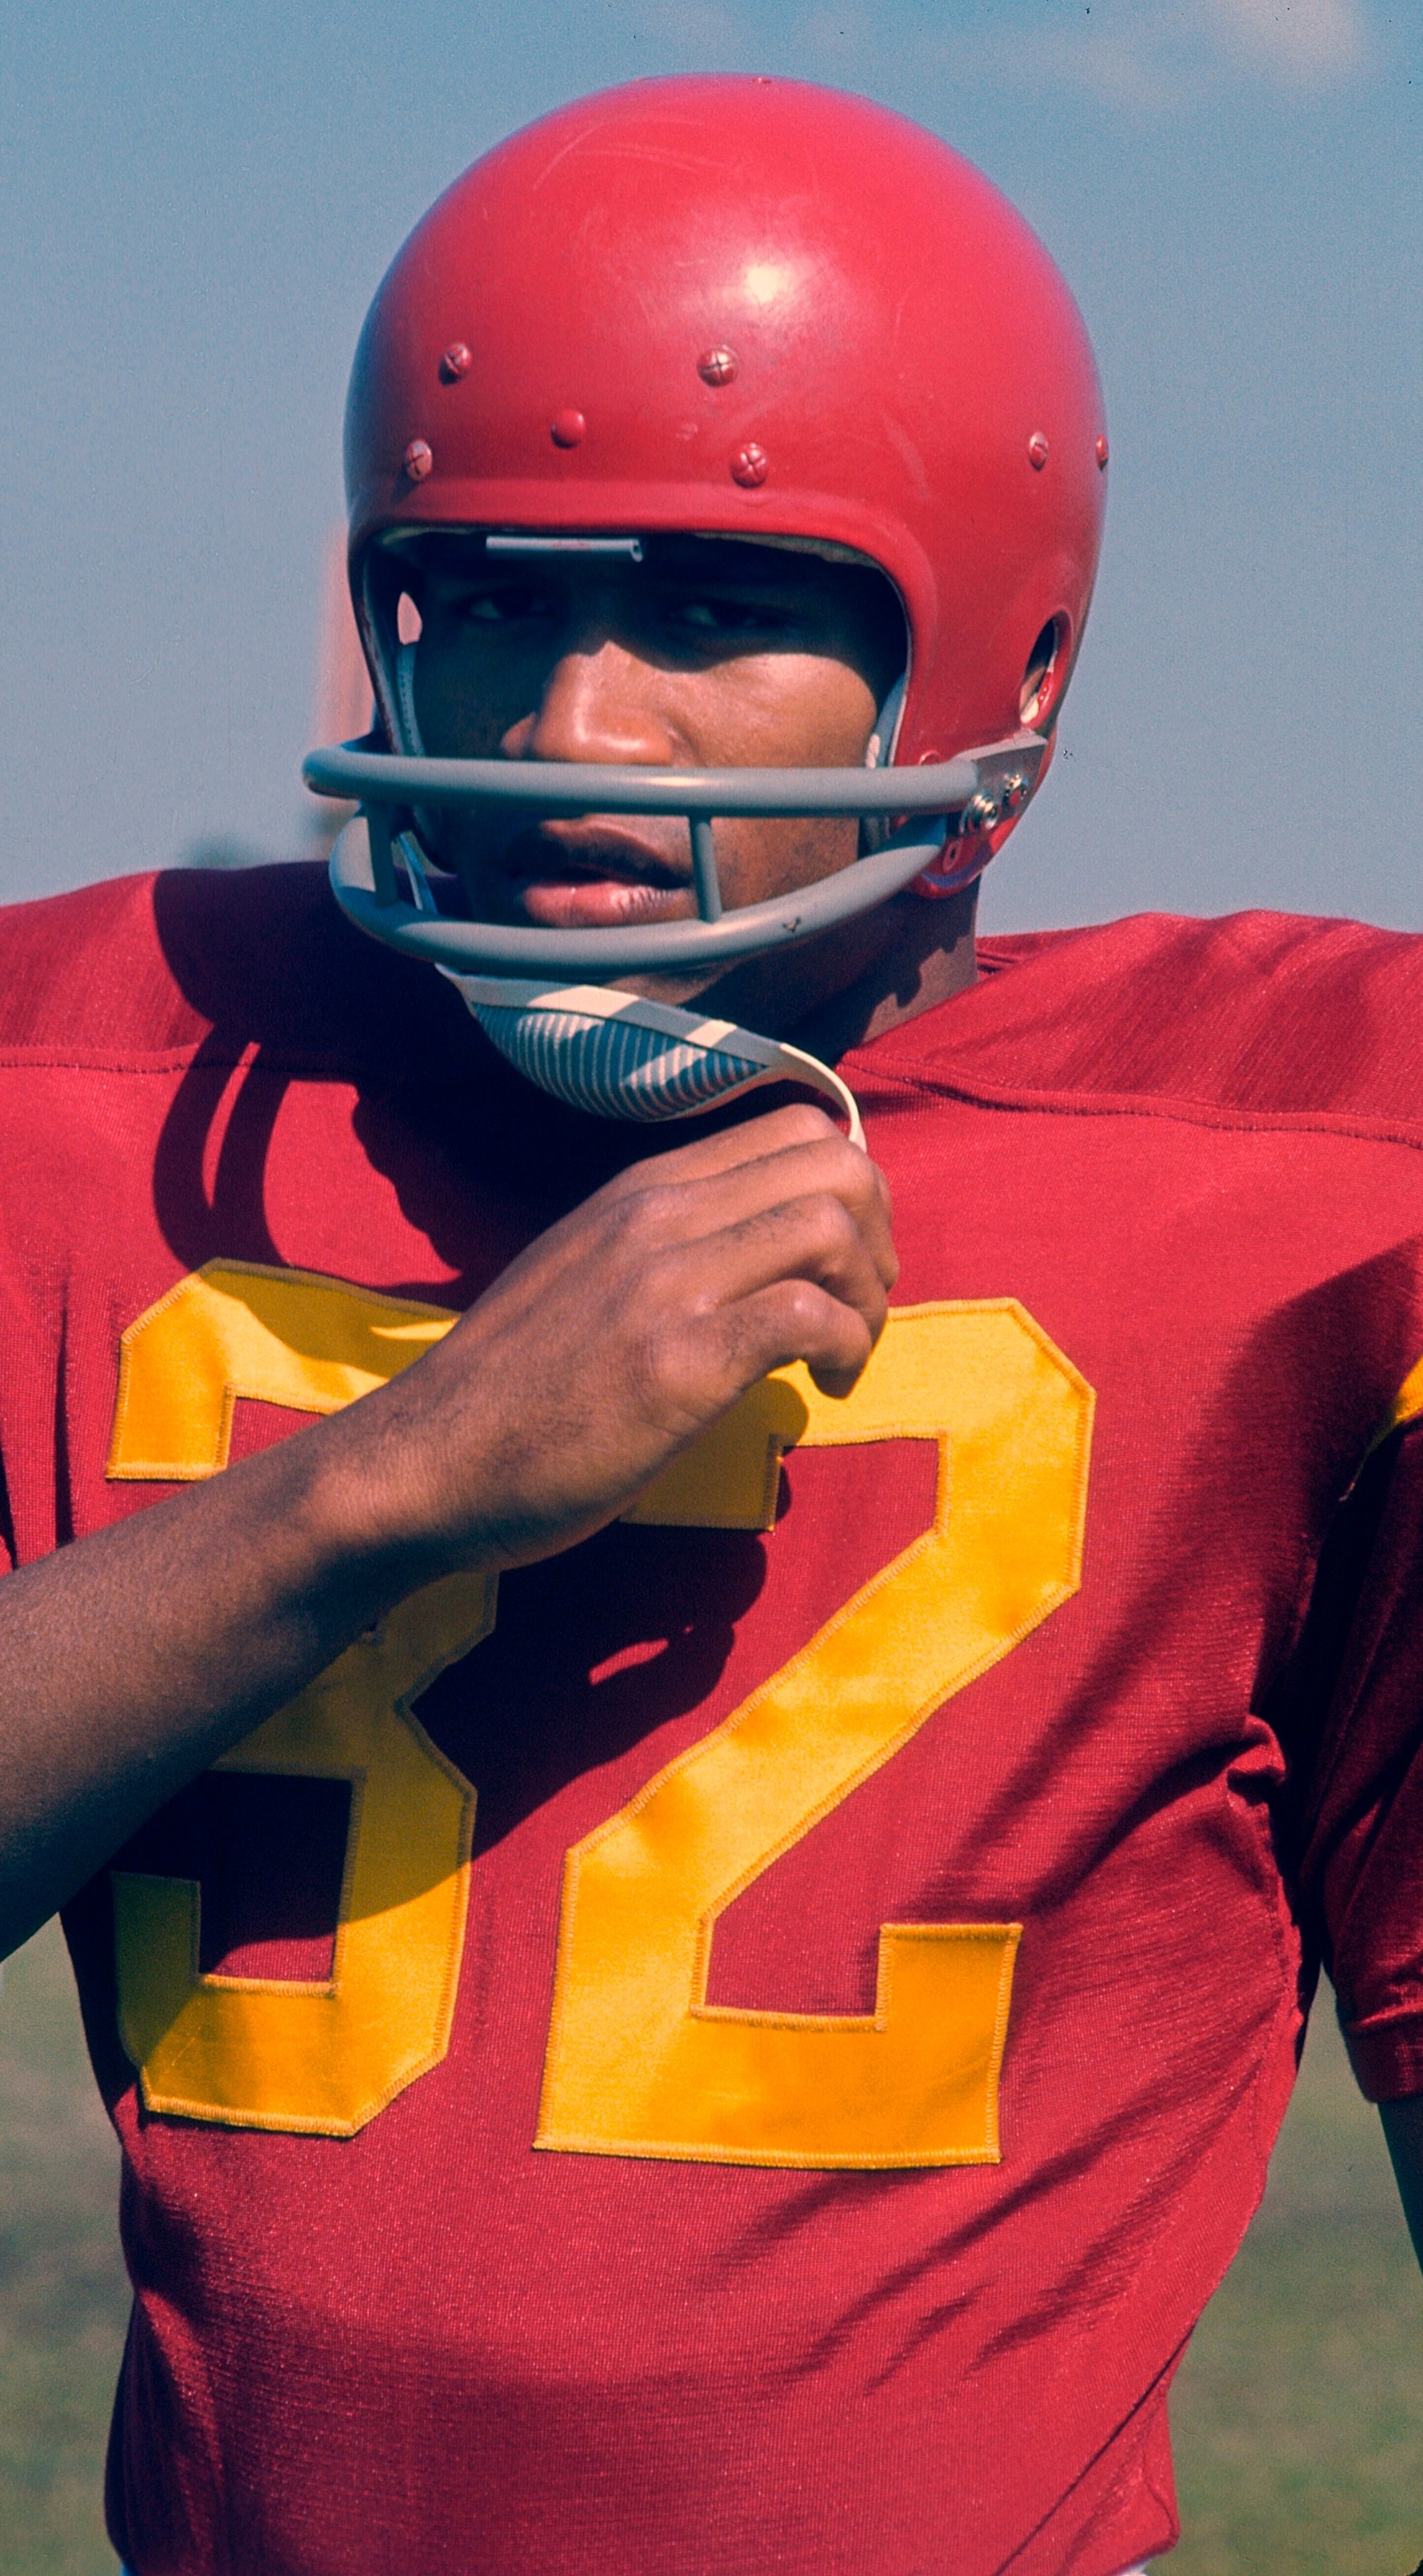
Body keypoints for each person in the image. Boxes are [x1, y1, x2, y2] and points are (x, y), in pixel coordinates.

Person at [3, 71, 1423, 2576]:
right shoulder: (92, 1092)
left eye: (704, 609)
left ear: (1006, 650)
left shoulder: (1314, 1179)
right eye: (497, 600)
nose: (571, 735)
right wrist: (386, 1484)